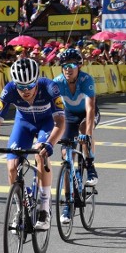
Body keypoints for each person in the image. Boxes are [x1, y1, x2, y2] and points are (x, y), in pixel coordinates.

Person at [0, 58, 65, 231]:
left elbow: (60, 122)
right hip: (23, 124)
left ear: (36, 81)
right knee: (12, 166)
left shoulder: (50, 87)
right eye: (21, 87)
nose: (25, 91)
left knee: (40, 155)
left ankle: (44, 207)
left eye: (29, 86)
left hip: (47, 124)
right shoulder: (9, 90)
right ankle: (20, 209)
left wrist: (50, 144)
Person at [52, 47, 99, 224]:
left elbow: (90, 109)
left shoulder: (86, 80)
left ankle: (90, 164)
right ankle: (67, 203)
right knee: (66, 157)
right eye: (64, 65)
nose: (67, 69)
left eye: (71, 65)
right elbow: (53, 111)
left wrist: (87, 135)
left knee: (84, 131)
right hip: (69, 117)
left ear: (79, 66)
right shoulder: (57, 82)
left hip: (87, 115)